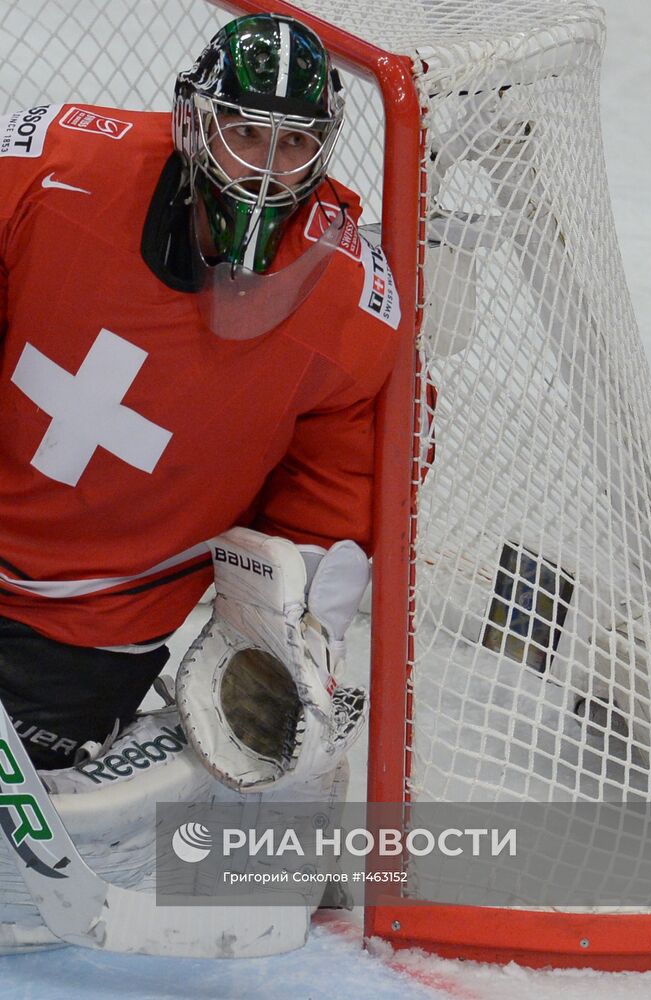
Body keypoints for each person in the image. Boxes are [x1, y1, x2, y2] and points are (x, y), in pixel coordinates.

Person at [0, 13, 401, 771]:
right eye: (245, 133)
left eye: (294, 143)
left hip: (99, 616)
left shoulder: (350, 301)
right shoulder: (54, 167)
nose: (264, 169)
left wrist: (298, 628)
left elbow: (337, 475)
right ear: (195, 118)